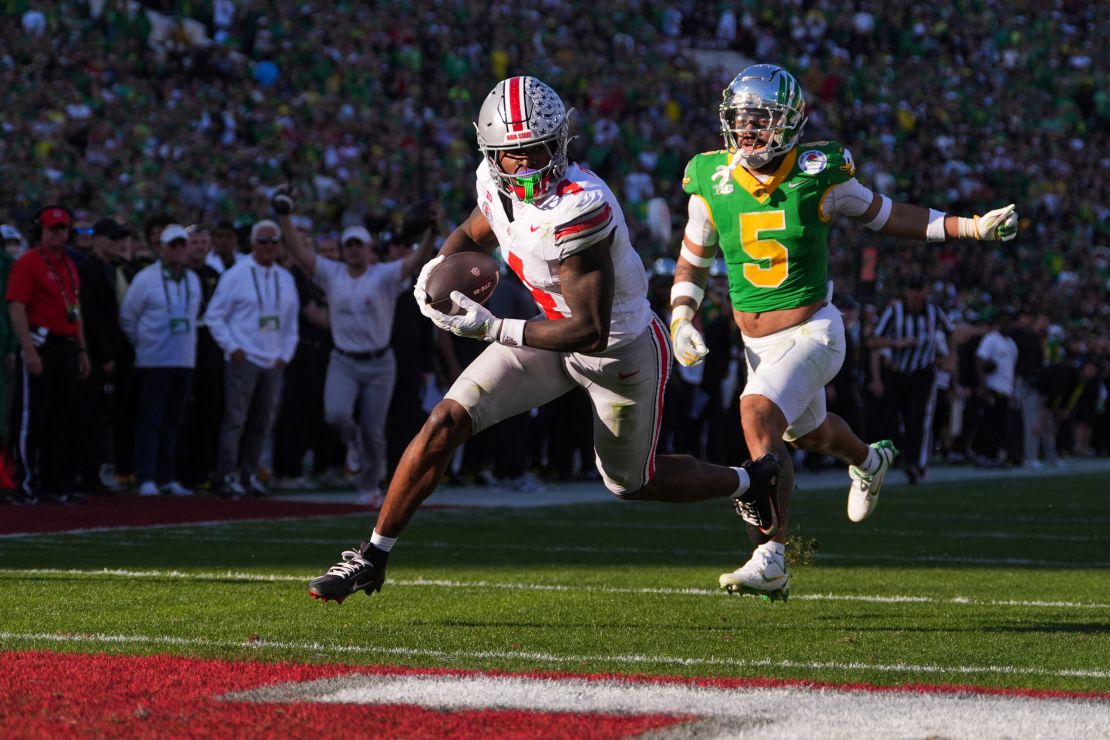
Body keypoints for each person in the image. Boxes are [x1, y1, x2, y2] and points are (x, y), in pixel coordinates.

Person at [307, 75, 780, 604]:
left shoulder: (580, 204)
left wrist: (491, 328)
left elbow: (589, 328)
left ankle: (748, 482)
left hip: (617, 351)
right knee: (444, 421)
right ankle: (371, 558)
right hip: (544, 333)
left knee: (631, 483)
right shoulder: (493, 182)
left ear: (560, 142)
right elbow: (469, 234)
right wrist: (435, 272)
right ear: (492, 154)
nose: (528, 164)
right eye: (515, 155)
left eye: (539, 150)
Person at [669, 64, 1019, 598]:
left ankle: (772, 555)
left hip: (814, 330)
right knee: (806, 434)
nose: (747, 132)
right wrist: (681, 317)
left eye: (760, 120)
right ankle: (869, 459)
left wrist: (968, 226)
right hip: (756, 345)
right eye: (740, 120)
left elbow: (890, 216)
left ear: (788, 123)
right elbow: (693, 260)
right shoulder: (711, 177)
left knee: (756, 412)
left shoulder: (820, 173)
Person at [274, 191, 440, 505]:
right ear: (343, 250)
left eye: (358, 245)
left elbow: (419, 260)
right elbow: (297, 250)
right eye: (348, 245)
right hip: (344, 360)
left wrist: (431, 231)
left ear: (368, 249)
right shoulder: (331, 273)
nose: (352, 251)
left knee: (374, 431)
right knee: (335, 414)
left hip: (380, 363)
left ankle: (369, 487)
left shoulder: (384, 275)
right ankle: (352, 445)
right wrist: (284, 216)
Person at [203, 219, 299, 497]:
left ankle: (249, 474)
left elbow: (292, 323)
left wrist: (285, 354)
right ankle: (227, 474)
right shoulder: (236, 274)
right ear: (252, 243)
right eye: (262, 241)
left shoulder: (285, 277)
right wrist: (232, 347)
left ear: (280, 246)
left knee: (262, 423)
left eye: (273, 241)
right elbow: (214, 315)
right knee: (236, 419)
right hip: (243, 358)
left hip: (273, 361)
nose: (268, 247)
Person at [6, 206, 92, 503]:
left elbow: (75, 311)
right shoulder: (29, 263)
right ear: (40, 231)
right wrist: (28, 350)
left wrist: (81, 348)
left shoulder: (69, 265)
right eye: (52, 229)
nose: (58, 235)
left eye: (62, 229)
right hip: (40, 344)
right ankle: (27, 483)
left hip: (65, 345)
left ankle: (54, 482)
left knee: (60, 418)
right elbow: (16, 306)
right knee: (33, 418)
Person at [119, 224, 201, 496]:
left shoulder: (193, 279)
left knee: (172, 422)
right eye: (172, 245)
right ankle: (146, 477)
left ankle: (167, 477)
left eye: (181, 245)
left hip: (183, 358)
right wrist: (143, 344)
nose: (178, 250)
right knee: (150, 421)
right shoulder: (146, 278)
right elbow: (128, 318)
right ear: (161, 248)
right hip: (153, 360)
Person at [868, 276, 954, 483]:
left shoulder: (934, 311)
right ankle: (896, 458)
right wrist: (898, 344)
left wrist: (952, 357)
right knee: (897, 418)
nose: (915, 296)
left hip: (923, 372)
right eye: (912, 291)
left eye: (919, 291)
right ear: (907, 293)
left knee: (920, 417)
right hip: (898, 372)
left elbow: (951, 331)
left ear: (925, 293)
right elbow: (873, 340)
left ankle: (917, 464)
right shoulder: (894, 312)